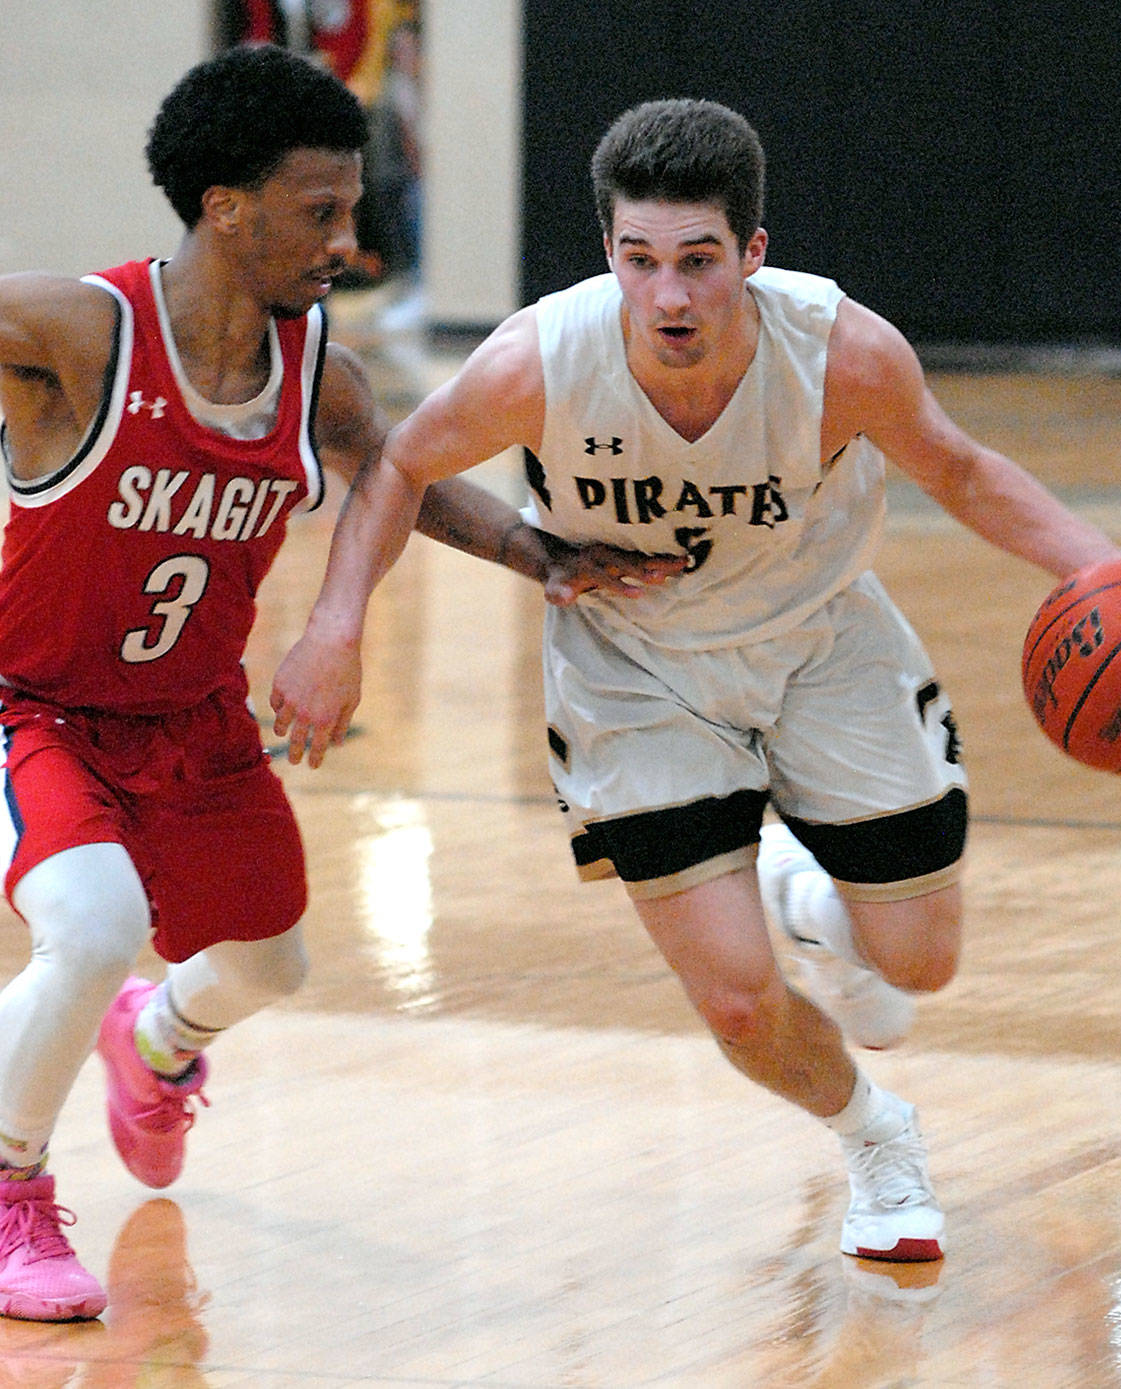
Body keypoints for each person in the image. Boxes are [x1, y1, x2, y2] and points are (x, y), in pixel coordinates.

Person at [269, 97, 1121, 1266]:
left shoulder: (840, 354)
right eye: (637, 259)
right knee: (731, 1000)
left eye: (698, 262)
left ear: (750, 256)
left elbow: (961, 471)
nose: (667, 296)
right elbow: (401, 460)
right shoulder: (540, 360)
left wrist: (1107, 572)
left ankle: (807, 898)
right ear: (607, 251)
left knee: (920, 964)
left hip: (819, 642)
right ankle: (875, 1139)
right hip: (634, 670)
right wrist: (335, 626)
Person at [0, 45, 674, 1324]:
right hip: (33, 709)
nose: (349, 242)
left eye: (352, 210)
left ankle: (155, 1047)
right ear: (225, 207)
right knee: (85, 927)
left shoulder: (318, 373)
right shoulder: (81, 333)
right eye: (323, 212)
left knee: (267, 965)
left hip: (193, 726)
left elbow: (394, 473)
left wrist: (540, 556)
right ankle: (10, 1189)